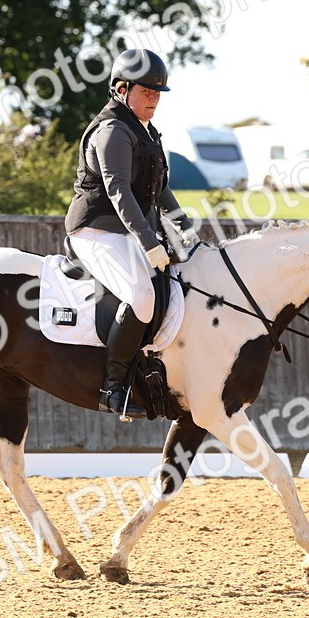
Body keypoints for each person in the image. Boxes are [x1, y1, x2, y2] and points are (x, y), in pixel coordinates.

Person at [64, 49, 198, 419]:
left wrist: (186, 231)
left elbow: (161, 190)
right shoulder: (112, 132)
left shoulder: (145, 131)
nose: (154, 98)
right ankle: (113, 387)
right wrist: (151, 243)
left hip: (127, 232)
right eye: (146, 91)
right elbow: (118, 190)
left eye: (158, 92)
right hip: (96, 230)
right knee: (140, 296)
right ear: (122, 89)